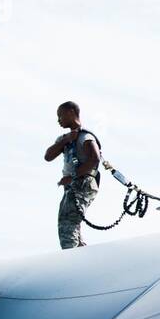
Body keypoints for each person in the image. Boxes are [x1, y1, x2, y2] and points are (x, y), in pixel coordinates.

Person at [44, 101, 101, 249]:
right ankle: (81, 252)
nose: (58, 120)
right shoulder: (66, 138)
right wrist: (66, 140)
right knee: (73, 223)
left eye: (60, 116)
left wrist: (73, 176)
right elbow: (48, 156)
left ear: (70, 112)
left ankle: (71, 257)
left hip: (82, 183)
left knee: (67, 222)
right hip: (73, 186)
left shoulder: (85, 137)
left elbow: (94, 159)